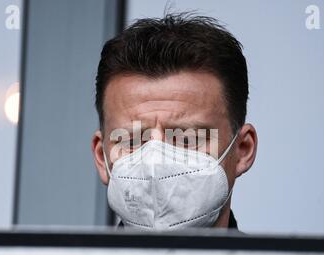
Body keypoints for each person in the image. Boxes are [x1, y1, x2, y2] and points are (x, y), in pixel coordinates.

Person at [91, 12, 257, 230]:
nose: (156, 161)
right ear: (102, 158)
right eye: (132, 141)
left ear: (243, 150)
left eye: (187, 138)